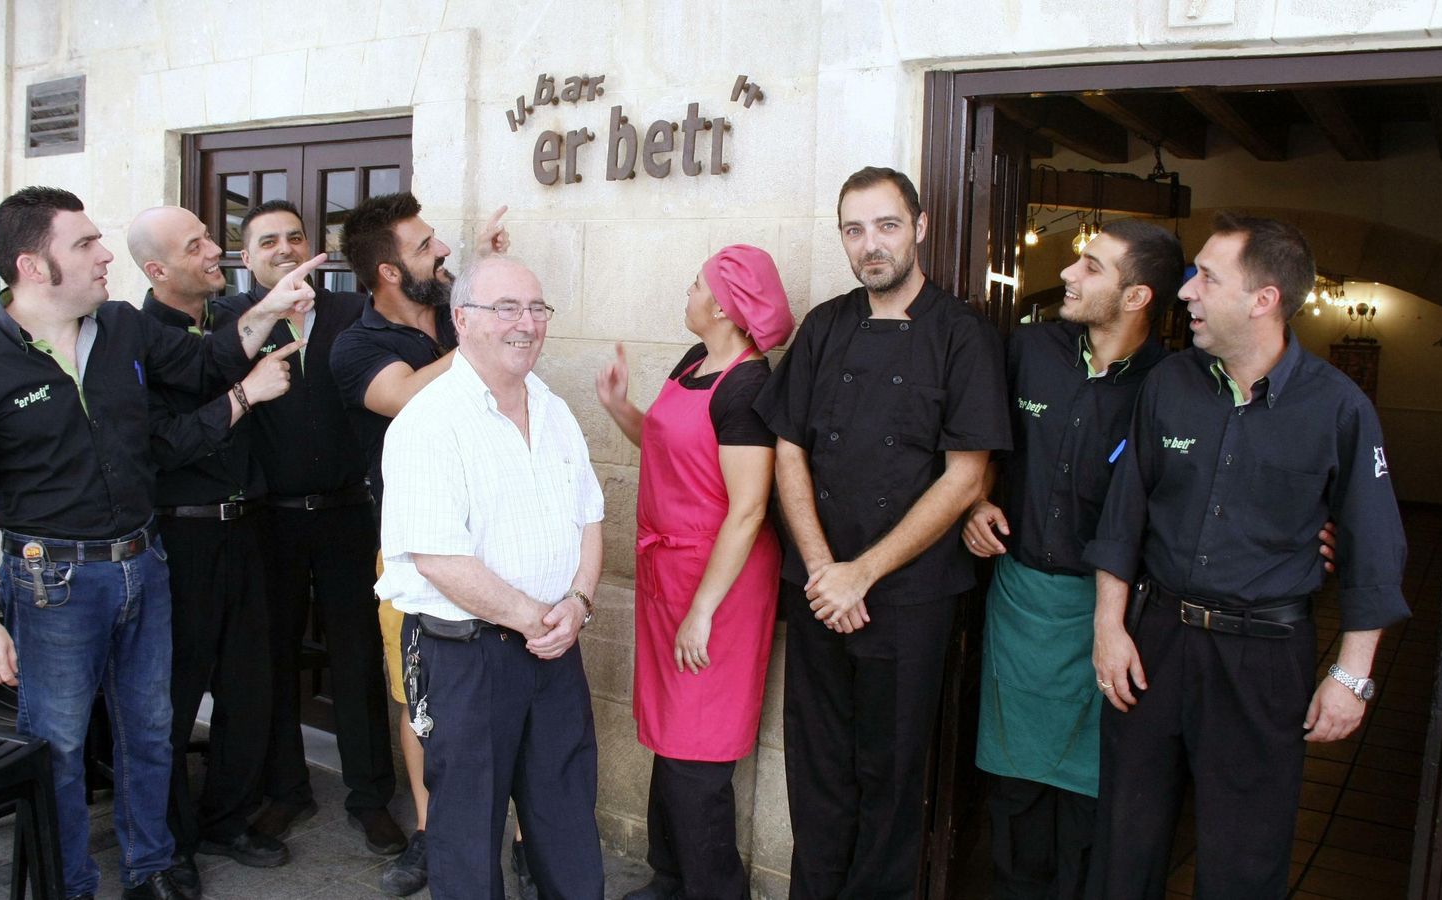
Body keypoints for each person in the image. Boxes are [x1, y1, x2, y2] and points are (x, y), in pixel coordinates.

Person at [0, 186, 319, 900]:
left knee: (148, 730)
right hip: (50, 583)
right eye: (85, 244)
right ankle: (70, 884)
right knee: (59, 747)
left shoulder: (119, 327)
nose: (106, 254)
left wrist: (268, 308)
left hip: (145, 562)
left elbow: (206, 366)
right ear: (33, 266)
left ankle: (149, 868)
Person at [1084, 213, 1409, 898]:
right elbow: (1124, 515)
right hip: (1154, 642)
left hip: (1263, 657)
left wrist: (1352, 676)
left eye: (1207, 277)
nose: (1186, 291)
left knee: (1244, 858)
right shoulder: (1168, 384)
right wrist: (1109, 626)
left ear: (1263, 299)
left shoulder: (1339, 408)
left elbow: (1374, 548)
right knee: (1124, 841)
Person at [752, 165, 1010, 898]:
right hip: (819, 590)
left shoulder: (963, 335)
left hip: (908, 599)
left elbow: (965, 476)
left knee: (892, 780)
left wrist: (860, 573)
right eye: (854, 230)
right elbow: (789, 448)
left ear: (919, 227)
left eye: (887, 225)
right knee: (816, 773)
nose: (871, 244)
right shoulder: (825, 326)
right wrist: (822, 569)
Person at [961, 220, 1183, 899]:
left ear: (1136, 296)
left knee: (1092, 803)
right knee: (1014, 793)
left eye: (1091, 266)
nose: (1068, 274)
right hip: (1019, 603)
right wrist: (975, 500)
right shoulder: (1029, 349)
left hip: (1113, 618)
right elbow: (984, 446)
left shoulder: (1173, 384)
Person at [379, 255, 605, 900]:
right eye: (506, 308)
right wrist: (540, 620)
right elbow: (438, 558)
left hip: (555, 650)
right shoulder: (429, 421)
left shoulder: (554, 410)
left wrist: (578, 602)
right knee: (468, 837)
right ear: (462, 320)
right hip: (468, 658)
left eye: (536, 308)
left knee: (567, 820)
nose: (525, 323)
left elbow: (590, 518)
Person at [596, 244, 792, 900]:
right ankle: (670, 875)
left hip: (721, 586)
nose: (687, 293)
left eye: (696, 284)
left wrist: (703, 610)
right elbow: (664, 444)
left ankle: (714, 889)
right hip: (670, 576)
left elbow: (749, 509)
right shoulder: (693, 361)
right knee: (669, 735)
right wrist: (619, 406)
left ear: (725, 307)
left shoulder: (748, 387)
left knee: (698, 749)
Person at [330, 193, 512, 895]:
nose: (442, 250)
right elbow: (404, 395)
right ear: (387, 272)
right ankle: (434, 836)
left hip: (501, 538)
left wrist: (483, 280)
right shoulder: (357, 346)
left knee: (518, 689)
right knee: (419, 696)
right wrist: (478, 331)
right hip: (414, 552)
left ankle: (527, 839)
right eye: (425, 245)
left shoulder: (450, 309)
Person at [215, 201, 404, 856]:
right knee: (272, 661)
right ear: (247, 258)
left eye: (295, 236)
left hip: (350, 514)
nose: (286, 248)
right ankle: (286, 789)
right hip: (267, 522)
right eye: (268, 240)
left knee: (357, 657)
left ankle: (370, 797)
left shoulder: (355, 313)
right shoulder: (233, 324)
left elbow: (425, 318)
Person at [127, 205, 303, 896]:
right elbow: (161, 445)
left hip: (246, 531)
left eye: (208, 236)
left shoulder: (229, 317)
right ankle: (169, 842)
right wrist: (244, 395)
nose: (213, 249)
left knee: (248, 688)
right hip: (180, 539)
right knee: (169, 701)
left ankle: (227, 820)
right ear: (156, 269)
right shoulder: (133, 338)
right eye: (195, 244)